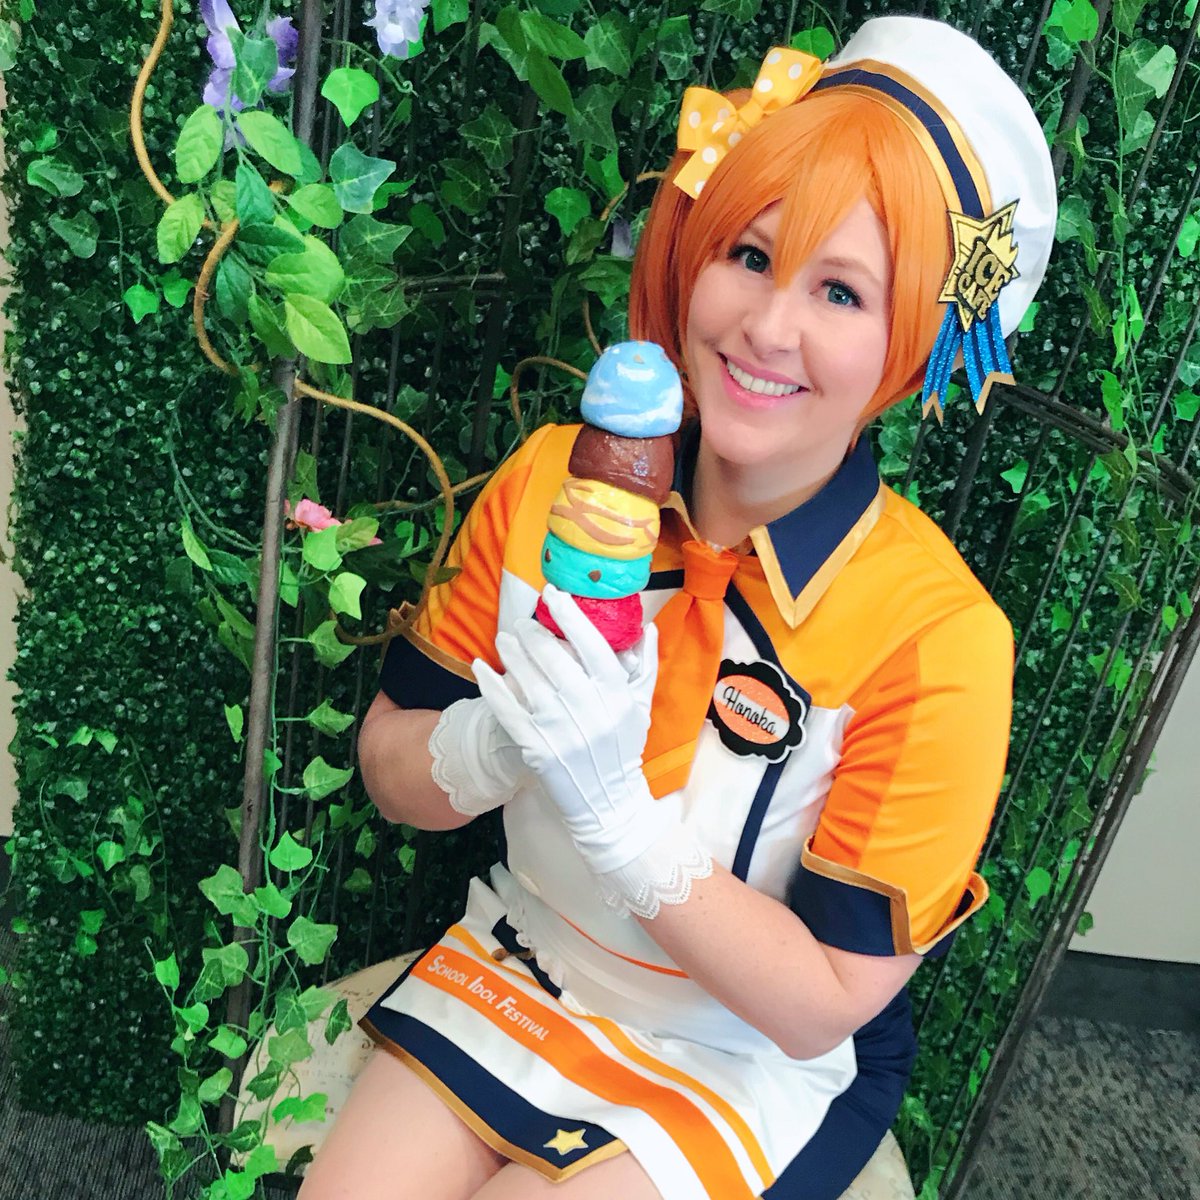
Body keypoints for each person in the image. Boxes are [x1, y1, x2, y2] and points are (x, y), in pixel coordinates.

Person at [298, 15, 1056, 1200]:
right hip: (529, 959)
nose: (768, 328)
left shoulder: (938, 638)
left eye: (842, 291)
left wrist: (619, 818)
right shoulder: (549, 483)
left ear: (911, 343)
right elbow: (393, 769)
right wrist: (500, 740)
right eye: (749, 254)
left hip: (743, 1051)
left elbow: (823, 1002)